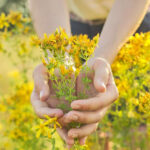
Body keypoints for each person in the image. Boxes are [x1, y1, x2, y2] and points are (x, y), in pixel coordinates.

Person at [29, 0, 150, 148]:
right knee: (89, 129)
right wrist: (58, 61)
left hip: (132, 18)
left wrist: (103, 55)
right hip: (74, 22)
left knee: (138, 129)